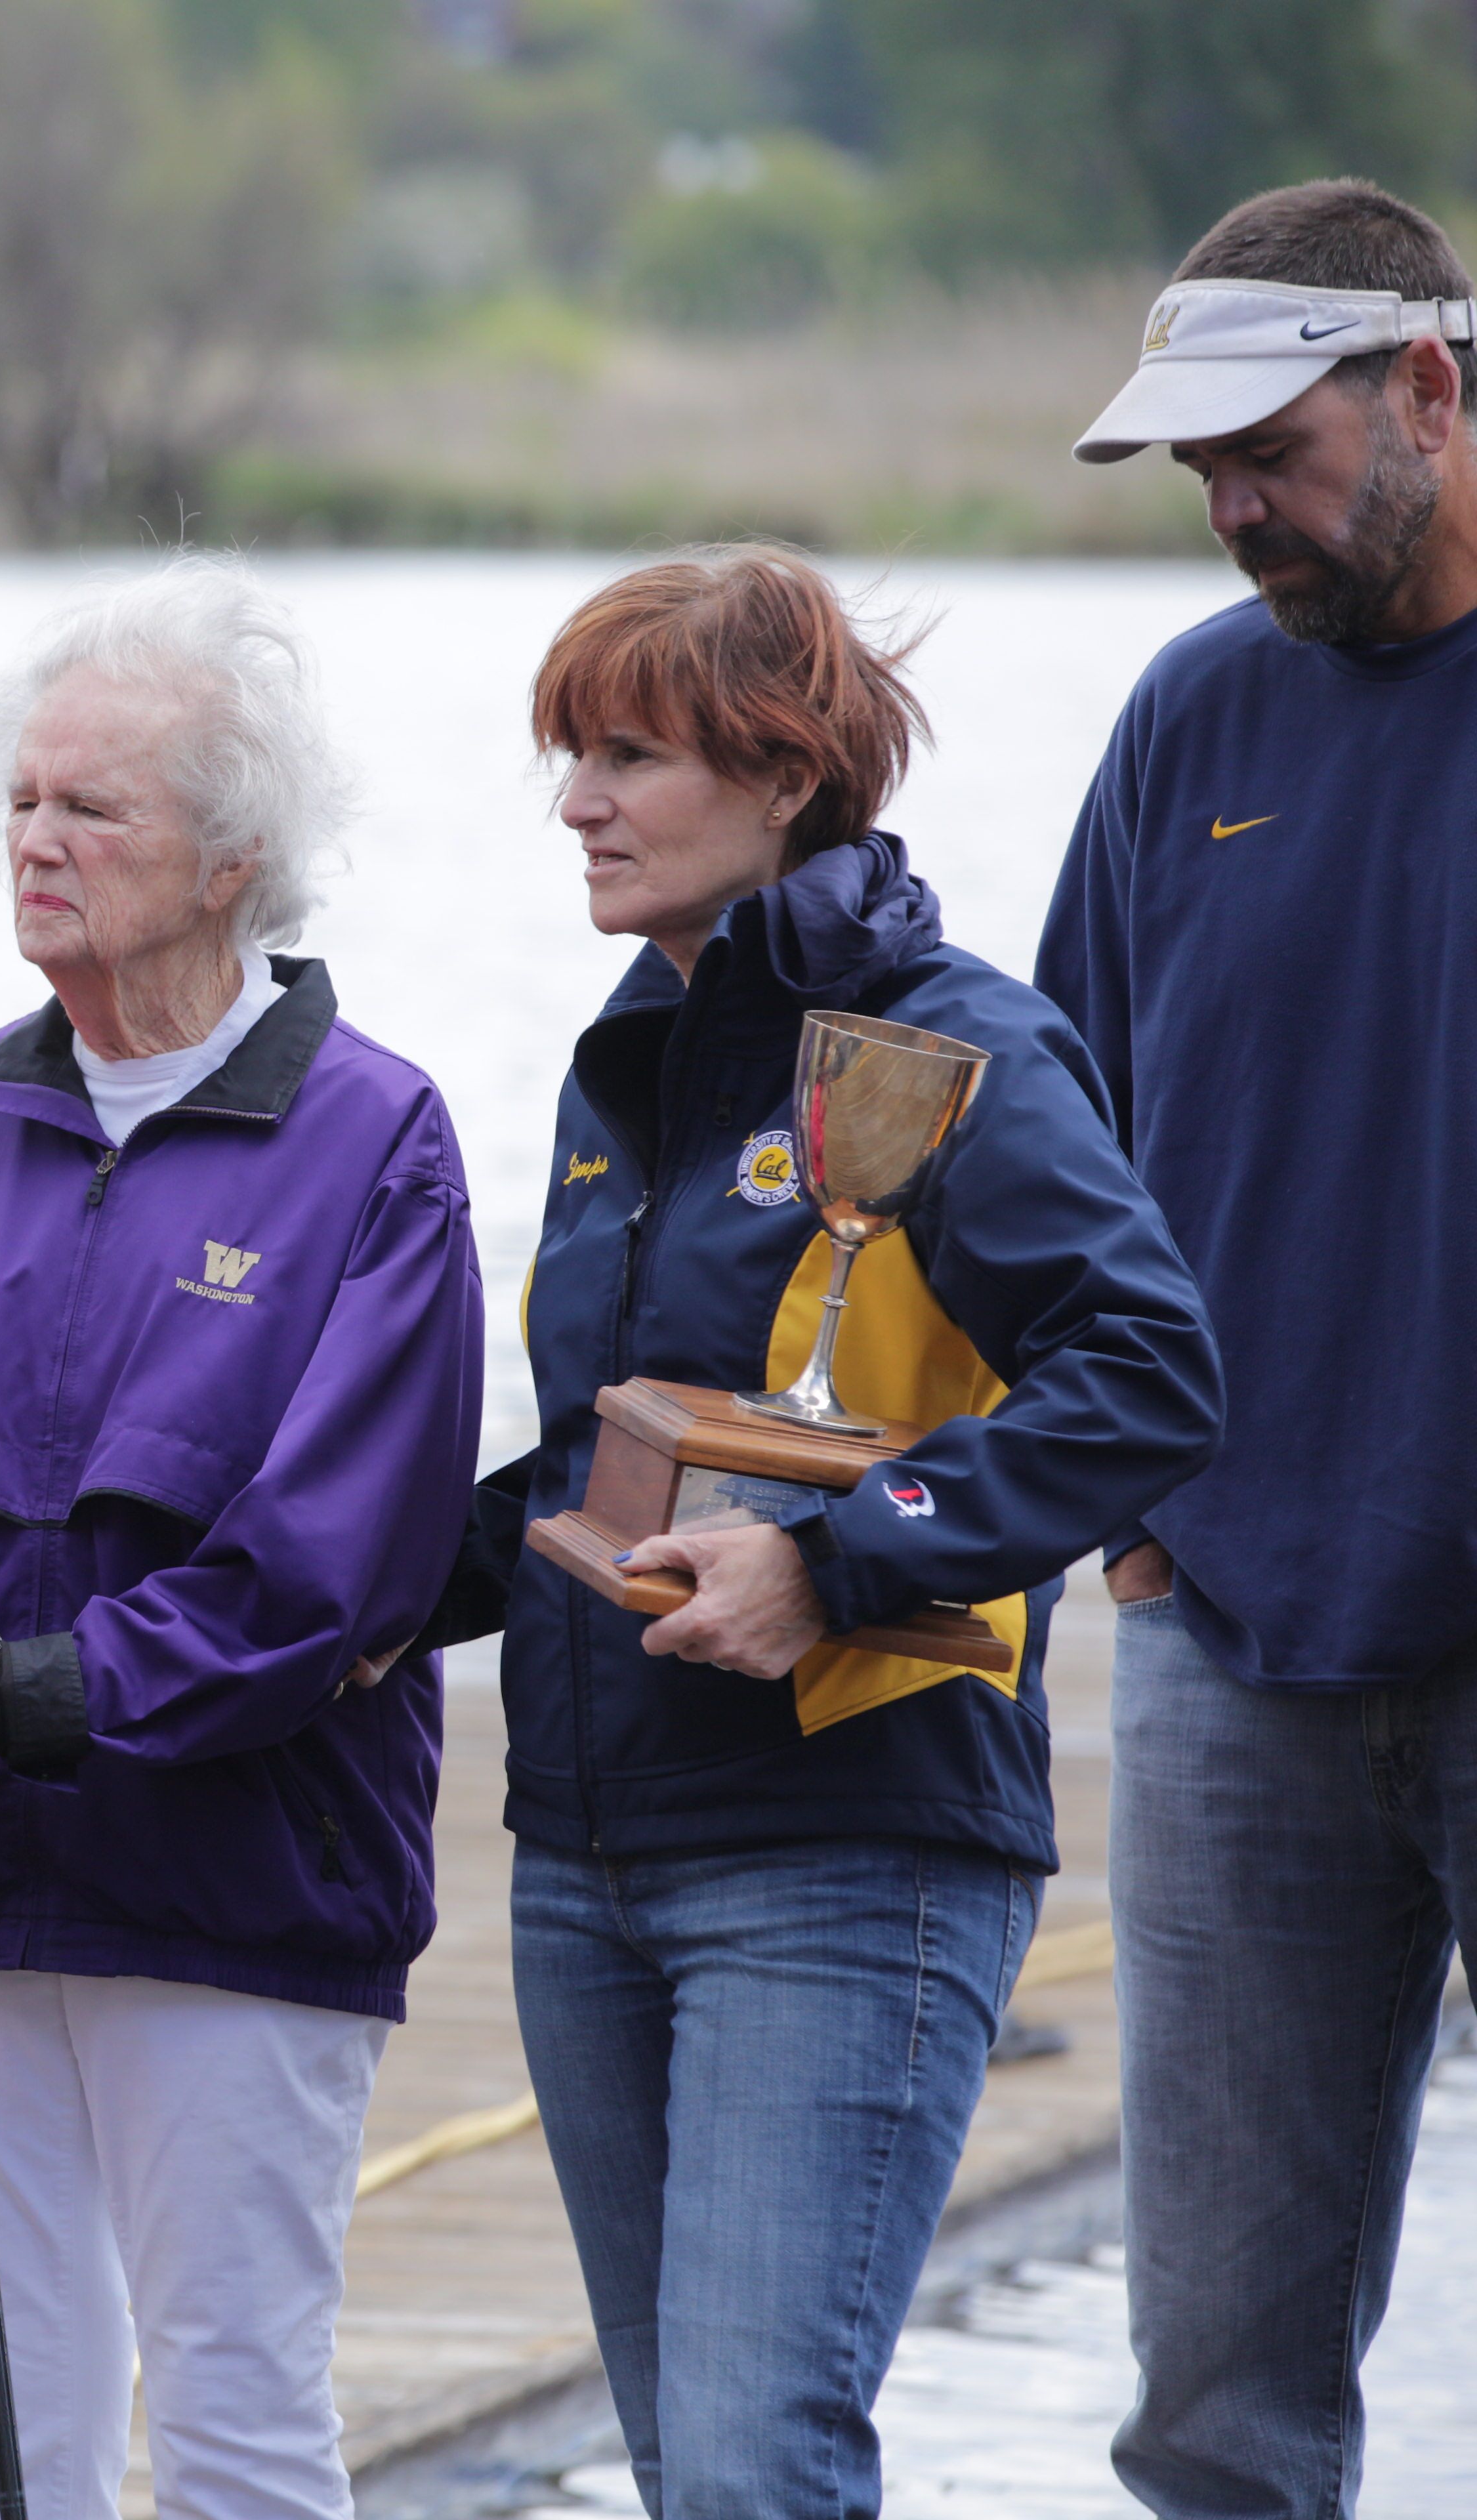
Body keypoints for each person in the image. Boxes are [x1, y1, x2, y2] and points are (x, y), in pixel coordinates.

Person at [411, 547, 1218, 2519]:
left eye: (627, 756)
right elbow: (598, 1466)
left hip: (851, 1855)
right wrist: (267, 1616)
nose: (579, 803)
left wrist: (840, 1566)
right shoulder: (633, 1062)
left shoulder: (957, 1052)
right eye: (565, 761)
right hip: (586, 1868)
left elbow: (1148, 1377)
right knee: (688, 2467)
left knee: (759, 2472)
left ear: (786, 780)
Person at [0, 559, 484, 2520]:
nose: (37, 840)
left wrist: (16, 1685)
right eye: (24, 802)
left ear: (233, 860)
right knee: (0, 2437)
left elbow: (335, 1573)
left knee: (232, 2421)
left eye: (93, 808)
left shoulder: (377, 1144)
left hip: (238, 1900)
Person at [1044, 178, 1477, 2520]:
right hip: (1230, 1655)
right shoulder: (1189, 717)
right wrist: (1123, 1528)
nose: (1232, 511)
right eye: (1196, 470)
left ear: (1427, 384)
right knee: (1213, 2410)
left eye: (1271, 449)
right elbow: (1050, 1165)